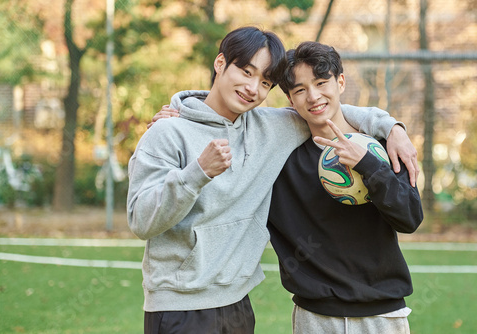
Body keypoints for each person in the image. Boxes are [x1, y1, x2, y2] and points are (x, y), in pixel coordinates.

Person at [128, 26, 417, 334]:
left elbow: (323, 108)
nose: (253, 88)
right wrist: (197, 172)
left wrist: (390, 126)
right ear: (221, 63)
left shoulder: (272, 128)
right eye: (246, 72)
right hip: (179, 306)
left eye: (265, 82)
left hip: (237, 302)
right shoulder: (168, 132)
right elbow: (141, 221)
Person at [267, 41, 423, 333]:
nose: (313, 96)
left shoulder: (381, 148)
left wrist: (367, 164)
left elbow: (410, 218)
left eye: (321, 82)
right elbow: (234, 117)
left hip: (383, 314)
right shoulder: (279, 160)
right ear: (290, 99)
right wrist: (180, 114)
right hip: (315, 317)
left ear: (340, 82)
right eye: (300, 90)